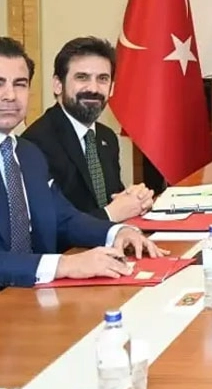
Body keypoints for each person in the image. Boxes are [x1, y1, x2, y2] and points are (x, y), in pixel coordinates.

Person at [0, 37, 163, 289]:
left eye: (20, 84)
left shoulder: (27, 154)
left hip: (36, 296)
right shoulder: (39, 141)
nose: (10, 95)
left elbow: (64, 218)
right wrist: (65, 265)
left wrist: (117, 232)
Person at [21, 36, 154, 221]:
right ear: (58, 85)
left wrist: (136, 199)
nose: (93, 88)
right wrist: (110, 214)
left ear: (112, 88)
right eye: (82, 77)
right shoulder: (35, 144)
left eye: (102, 79)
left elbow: (114, 199)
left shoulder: (107, 137)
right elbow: (48, 225)